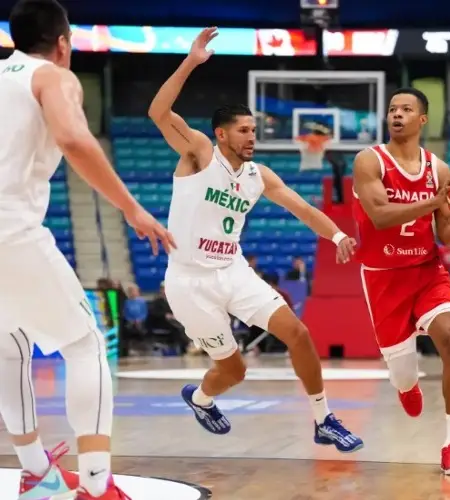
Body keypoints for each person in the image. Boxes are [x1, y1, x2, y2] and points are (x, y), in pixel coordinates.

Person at [147, 28, 362, 452]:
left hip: (234, 271)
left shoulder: (258, 175)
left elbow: (302, 208)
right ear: (222, 133)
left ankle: (323, 420)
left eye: (253, 129)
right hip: (189, 282)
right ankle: (202, 398)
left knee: (298, 334)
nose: (252, 136)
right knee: (234, 372)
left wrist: (336, 234)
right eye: (244, 130)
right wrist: (191, 60)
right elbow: (158, 111)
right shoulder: (199, 153)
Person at [0, 1, 174, 499]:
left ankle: (37, 473)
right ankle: (97, 487)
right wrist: (133, 209)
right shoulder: (53, 77)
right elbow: (74, 139)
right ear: (62, 43)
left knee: (8, 346)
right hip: (10, 228)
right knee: (85, 344)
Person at [352, 87, 450, 475]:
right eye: (392, 109)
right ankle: (406, 384)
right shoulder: (370, 161)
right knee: (401, 375)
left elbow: (445, 234)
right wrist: (436, 202)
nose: (396, 114)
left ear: (422, 120)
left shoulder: (440, 170)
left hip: (426, 272)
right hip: (383, 280)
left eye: (405, 109)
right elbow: (381, 216)